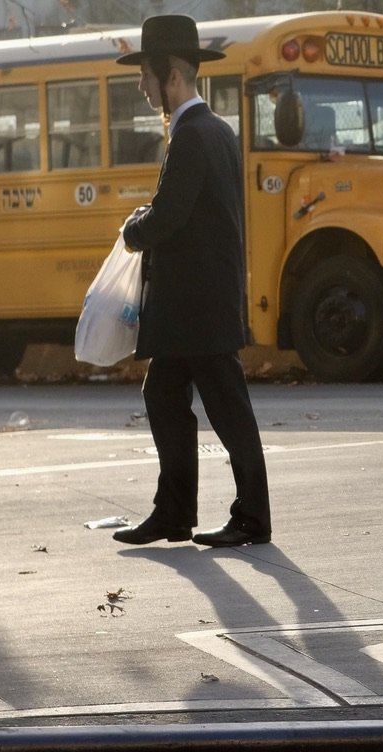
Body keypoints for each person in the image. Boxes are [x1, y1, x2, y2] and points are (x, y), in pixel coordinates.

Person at [110, 15, 272, 548]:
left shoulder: (193, 135)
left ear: (171, 75)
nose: (141, 85)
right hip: (198, 306)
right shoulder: (216, 131)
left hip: (197, 310)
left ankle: (249, 516)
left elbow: (169, 217)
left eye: (145, 75)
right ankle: (174, 512)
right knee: (163, 393)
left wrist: (133, 229)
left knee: (227, 411)